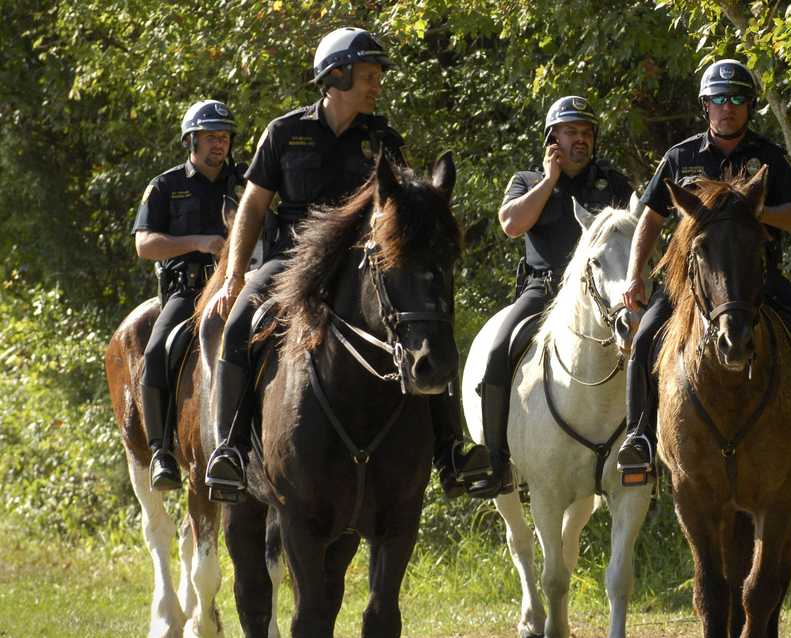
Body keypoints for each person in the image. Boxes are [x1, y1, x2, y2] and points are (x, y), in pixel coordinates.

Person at [204, 27, 488, 502]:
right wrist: (234, 275)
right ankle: (229, 451)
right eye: (368, 75)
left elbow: (399, 211)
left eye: (378, 76)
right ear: (335, 76)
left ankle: (449, 452)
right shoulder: (284, 132)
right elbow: (253, 207)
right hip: (291, 262)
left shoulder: (384, 139)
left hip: (363, 268)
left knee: (428, 327)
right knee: (236, 325)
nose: (376, 85)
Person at [617, 59, 791, 484]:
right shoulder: (680, 158)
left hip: (758, 281)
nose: (727, 107)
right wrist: (634, 274)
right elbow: (651, 218)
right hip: (694, 284)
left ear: (750, 106)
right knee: (643, 339)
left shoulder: (767, 157)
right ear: (705, 106)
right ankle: (639, 437)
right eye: (718, 99)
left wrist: (755, 212)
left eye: (736, 99)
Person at [467, 96, 633, 498]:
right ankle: (495, 460)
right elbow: (511, 225)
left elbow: (636, 228)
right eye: (572, 132)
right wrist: (549, 179)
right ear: (552, 138)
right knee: (496, 354)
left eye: (587, 132)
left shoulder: (613, 183)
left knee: (650, 347)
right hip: (542, 289)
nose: (582, 139)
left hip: (604, 293)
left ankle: (644, 451)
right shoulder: (527, 181)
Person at [133, 99, 239, 490]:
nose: (219, 144)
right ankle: (162, 450)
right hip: (189, 290)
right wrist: (198, 241)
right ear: (191, 140)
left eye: (225, 137)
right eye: (211, 136)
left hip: (239, 287)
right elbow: (145, 245)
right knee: (156, 351)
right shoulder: (165, 185)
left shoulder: (244, 182)